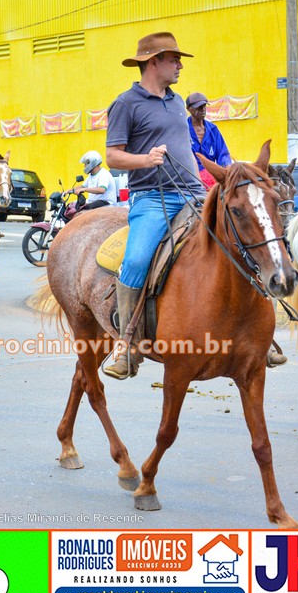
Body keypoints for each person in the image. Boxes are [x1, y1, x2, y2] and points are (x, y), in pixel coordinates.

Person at [103, 31, 204, 379]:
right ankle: (127, 346)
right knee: (136, 259)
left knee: (238, 239)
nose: (179, 65)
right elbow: (113, 157)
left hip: (194, 194)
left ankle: (256, 339)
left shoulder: (178, 102)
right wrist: (146, 160)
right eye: (173, 58)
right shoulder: (126, 103)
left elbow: (185, 147)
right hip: (152, 199)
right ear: (153, 62)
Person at [186, 91, 232, 189]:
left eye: (204, 106)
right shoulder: (182, 129)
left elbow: (222, 153)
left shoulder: (213, 129)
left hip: (211, 177)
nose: (202, 110)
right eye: (198, 107)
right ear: (188, 109)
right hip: (189, 179)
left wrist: (227, 166)